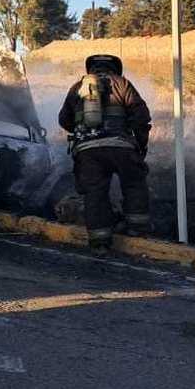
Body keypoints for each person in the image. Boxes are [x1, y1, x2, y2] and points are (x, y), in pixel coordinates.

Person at [57, 54, 152, 253]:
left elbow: (64, 120)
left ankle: (100, 243)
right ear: (115, 69)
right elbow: (141, 117)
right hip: (122, 147)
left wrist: (82, 128)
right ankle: (138, 231)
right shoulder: (122, 83)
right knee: (134, 183)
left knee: (95, 193)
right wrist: (140, 146)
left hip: (88, 152)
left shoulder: (77, 88)